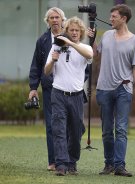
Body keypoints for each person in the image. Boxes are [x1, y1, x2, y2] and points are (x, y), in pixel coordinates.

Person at [90, 4, 135, 177]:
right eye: (110, 16)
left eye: (114, 16)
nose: (111, 19)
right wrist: (91, 40)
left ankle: (120, 166)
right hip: (104, 89)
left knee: (120, 128)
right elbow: (93, 54)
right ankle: (109, 164)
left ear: (123, 18)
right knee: (106, 129)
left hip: (123, 89)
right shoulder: (106, 36)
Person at [44, 16, 93, 176]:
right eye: (71, 30)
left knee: (76, 131)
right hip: (58, 93)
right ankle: (61, 165)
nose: (73, 32)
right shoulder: (55, 47)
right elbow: (46, 71)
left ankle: (72, 162)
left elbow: (89, 55)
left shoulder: (86, 48)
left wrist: (70, 44)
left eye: (76, 30)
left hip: (77, 96)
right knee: (58, 130)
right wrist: (52, 60)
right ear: (67, 31)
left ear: (81, 33)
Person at [28, 7, 66, 171]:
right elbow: (36, 65)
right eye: (52, 18)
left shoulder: (70, 37)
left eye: (57, 17)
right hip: (50, 88)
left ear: (62, 20)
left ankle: (68, 160)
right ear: (48, 21)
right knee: (51, 125)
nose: (55, 20)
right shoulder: (42, 40)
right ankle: (54, 161)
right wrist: (33, 87)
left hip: (69, 88)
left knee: (72, 125)